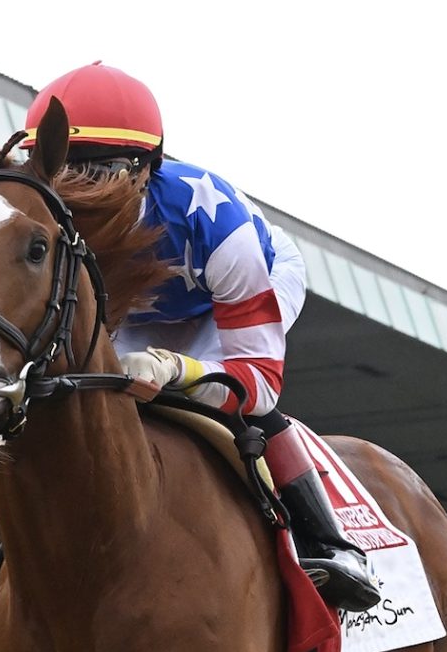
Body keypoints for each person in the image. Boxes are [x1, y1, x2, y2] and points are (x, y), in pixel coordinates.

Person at [22, 61, 380, 611]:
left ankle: (329, 543)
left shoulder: (215, 221)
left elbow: (258, 382)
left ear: (145, 169)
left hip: (232, 297)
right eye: (61, 170)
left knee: (233, 406)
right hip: (141, 306)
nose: (75, 192)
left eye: (98, 173)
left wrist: (176, 370)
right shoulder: (39, 210)